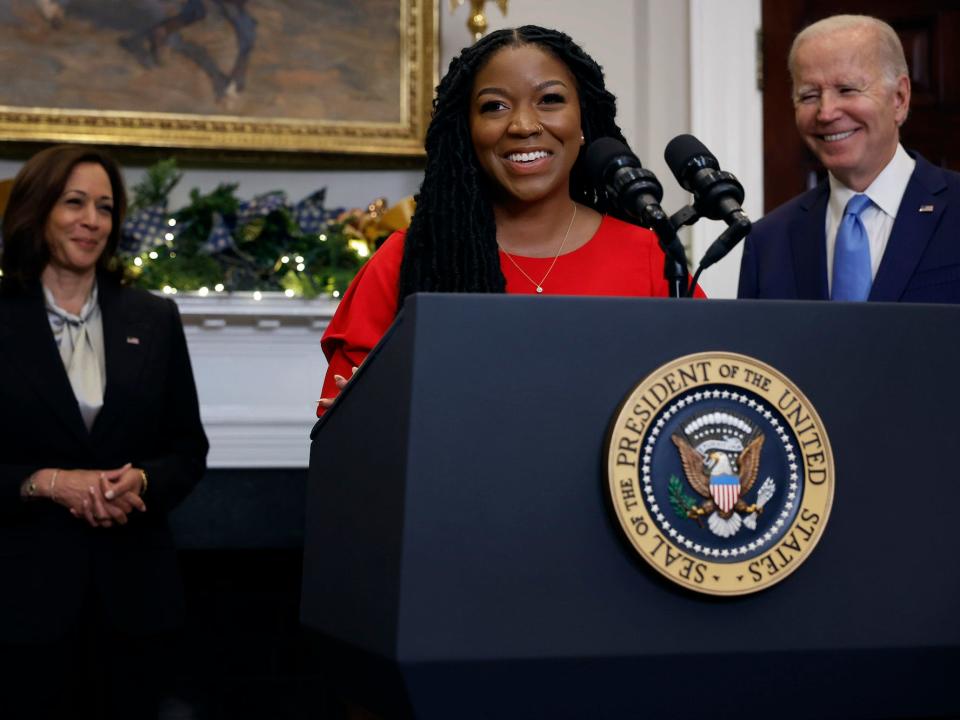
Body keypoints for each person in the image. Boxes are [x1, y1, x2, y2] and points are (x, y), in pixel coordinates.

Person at [318, 25, 703, 412]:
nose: (522, 125)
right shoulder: (408, 259)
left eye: (550, 99)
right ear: (467, 131)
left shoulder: (652, 258)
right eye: (494, 106)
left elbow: (703, 406)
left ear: (583, 121)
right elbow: (347, 442)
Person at [0, 145, 208, 718]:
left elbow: (188, 451)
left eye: (105, 207)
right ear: (38, 210)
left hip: (136, 601)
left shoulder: (154, 318)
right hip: (20, 604)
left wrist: (141, 479)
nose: (92, 220)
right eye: (74, 203)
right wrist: (45, 482)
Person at [738, 14, 960, 303]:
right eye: (809, 96)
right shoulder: (767, 241)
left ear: (900, 98)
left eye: (847, 90)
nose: (826, 113)